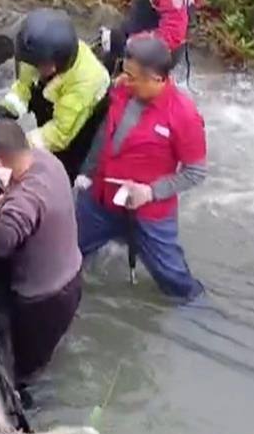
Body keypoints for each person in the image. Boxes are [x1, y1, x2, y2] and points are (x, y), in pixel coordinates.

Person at [75, 32, 206, 302]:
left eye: (132, 76)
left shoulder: (183, 115)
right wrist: (87, 171)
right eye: (123, 71)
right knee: (65, 257)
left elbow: (195, 172)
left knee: (178, 285)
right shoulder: (122, 90)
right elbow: (104, 134)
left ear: (156, 78)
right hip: (100, 200)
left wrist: (151, 191)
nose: (124, 80)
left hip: (148, 213)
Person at [0, 120, 83, 379]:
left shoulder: (26, 199)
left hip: (43, 300)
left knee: (27, 370)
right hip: (71, 278)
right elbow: (27, 200)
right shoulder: (46, 161)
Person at [0, 9, 112, 182]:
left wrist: (20, 147)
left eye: (39, 65)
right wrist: (8, 108)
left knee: (64, 168)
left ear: (55, 65)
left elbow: (60, 133)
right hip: (52, 100)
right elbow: (24, 85)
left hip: (80, 127)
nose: (32, 67)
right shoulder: (36, 55)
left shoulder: (85, 82)